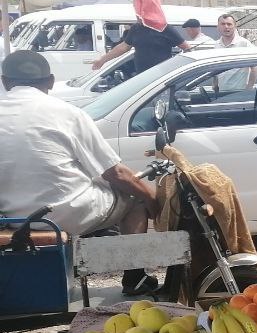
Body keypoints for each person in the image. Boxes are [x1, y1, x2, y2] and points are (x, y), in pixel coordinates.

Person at [0, 50, 161, 295]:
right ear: (50, 81)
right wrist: (151, 198)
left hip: (12, 218)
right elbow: (116, 173)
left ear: (5, 81)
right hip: (66, 214)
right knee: (134, 197)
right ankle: (135, 277)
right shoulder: (67, 113)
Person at [90, 16, 190, 78]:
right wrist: (102, 60)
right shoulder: (136, 28)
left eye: (140, 13)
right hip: (141, 77)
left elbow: (187, 48)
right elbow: (124, 47)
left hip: (161, 77)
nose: (137, 16)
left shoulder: (165, 28)